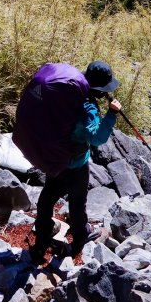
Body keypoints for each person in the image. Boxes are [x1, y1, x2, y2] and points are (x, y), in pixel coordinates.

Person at [30, 60, 121, 261]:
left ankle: (43, 233)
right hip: (76, 164)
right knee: (78, 201)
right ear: (99, 90)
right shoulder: (88, 105)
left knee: (47, 196)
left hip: (55, 158)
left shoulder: (66, 94)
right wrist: (111, 115)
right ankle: (81, 234)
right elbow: (97, 138)